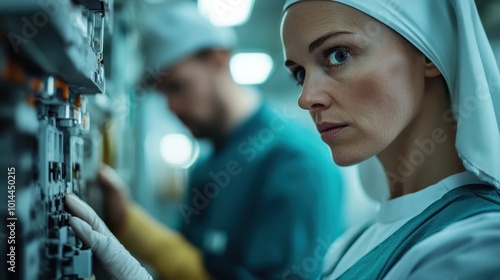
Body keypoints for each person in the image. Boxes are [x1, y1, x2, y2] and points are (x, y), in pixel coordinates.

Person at [65, 1, 346, 280]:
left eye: (177, 87)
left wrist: (133, 227)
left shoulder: (296, 162)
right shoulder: (206, 166)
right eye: (162, 94)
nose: (171, 107)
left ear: (218, 59)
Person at [280, 0, 500, 279]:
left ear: (427, 52)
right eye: (300, 74)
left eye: (338, 55)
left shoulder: (478, 245)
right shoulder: (351, 244)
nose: (307, 98)